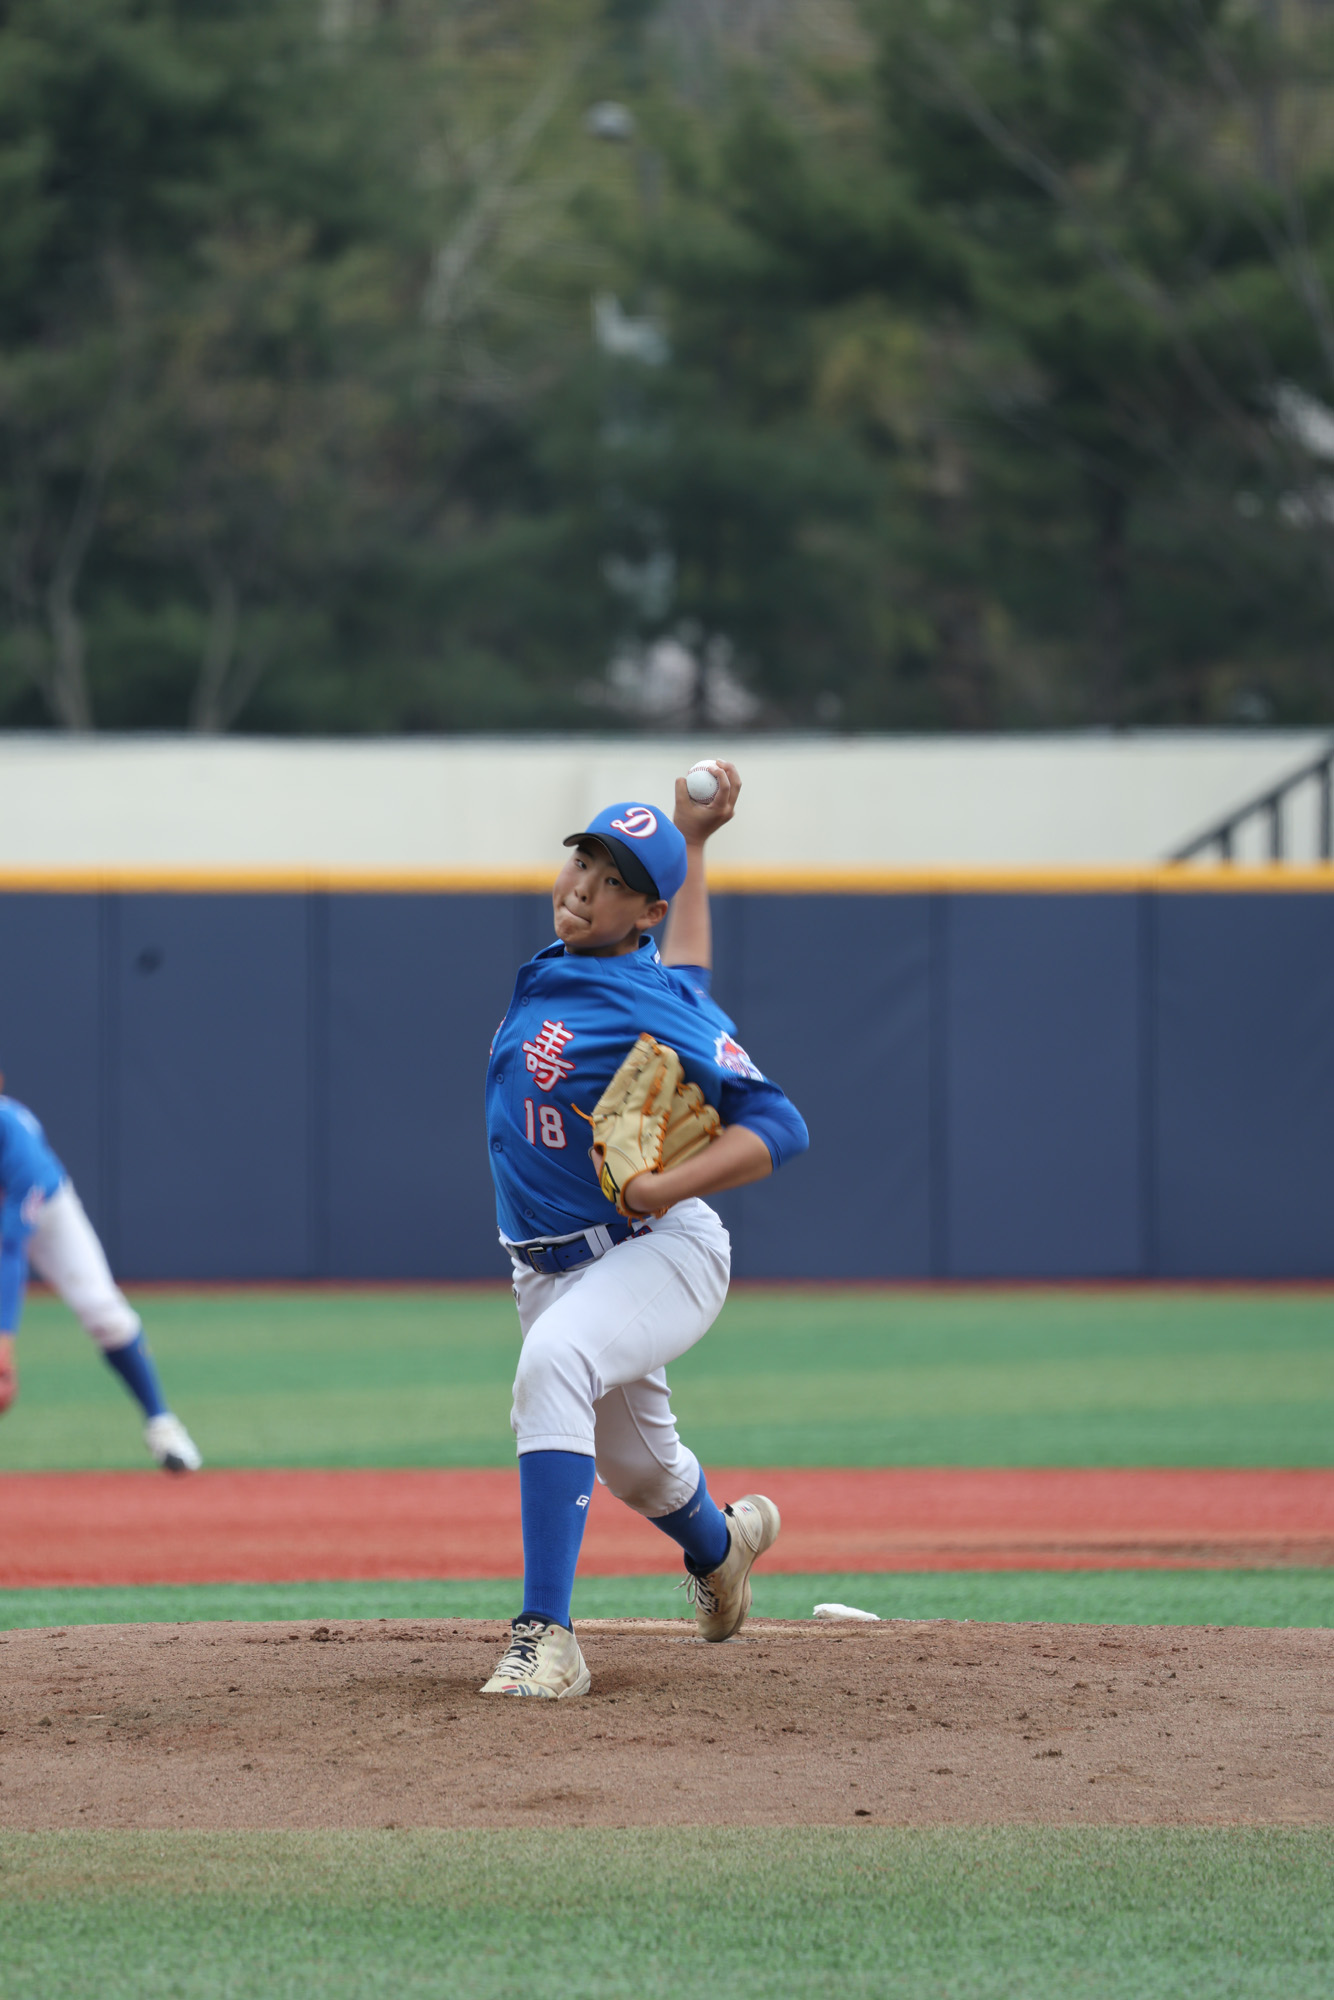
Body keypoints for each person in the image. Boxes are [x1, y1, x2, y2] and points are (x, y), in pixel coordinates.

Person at [480, 762, 808, 1697]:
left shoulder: (643, 1001)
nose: (584, 886)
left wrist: (667, 1183)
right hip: (549, 1268)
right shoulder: (578, 961)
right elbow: (692, 973)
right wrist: (692, 845)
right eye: (583, 860)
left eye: (616, 880)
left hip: (659, 1251)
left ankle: (548, 1636)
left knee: (554, 1366)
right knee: (640, 1473)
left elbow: (780, 1125)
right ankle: (724, 1549)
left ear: (644, 911)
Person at [0, 1082, 202, 1471]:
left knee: (103, 1311)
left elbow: (10, 1250)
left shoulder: (14, 1137)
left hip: (48, 1211)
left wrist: (4, 1339)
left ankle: (163, 1425)